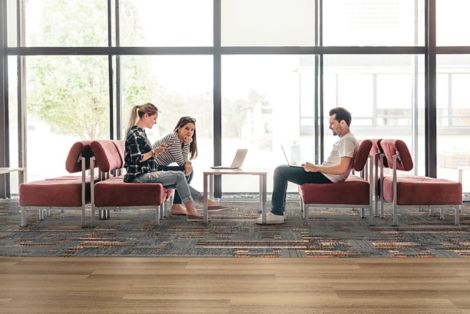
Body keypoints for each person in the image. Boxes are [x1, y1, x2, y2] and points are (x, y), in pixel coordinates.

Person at [256, 107, 359, 225]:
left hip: (326, 178)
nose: (330, 127)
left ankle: (277, 213)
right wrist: (314, 167)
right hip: (324, 174)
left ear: (343, 122)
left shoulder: (347, 141)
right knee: (283, 168)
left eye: (332, 123)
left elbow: (342, 169)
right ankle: (278, 211)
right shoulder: (347, 140)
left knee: (280, 171)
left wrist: (316, 168)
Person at [123, 103, 217, 219]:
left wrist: (157, 152)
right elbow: (136, 159)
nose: (155, 122)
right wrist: (154, 152)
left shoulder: (140, 132)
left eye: (192, 130)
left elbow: (182, 161)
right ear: (146, 116)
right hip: (139, 175)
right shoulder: (136, 134)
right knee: (180, 174)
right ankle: (195, 206)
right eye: (154, 118)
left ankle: (200, 203)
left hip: (148, 170)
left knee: (181, 176)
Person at [153, 116, 223, 215]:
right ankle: (177, 205)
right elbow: (182, 163)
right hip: (152, 168)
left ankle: (177, 205)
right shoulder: (173, 138)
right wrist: (187, 145)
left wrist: (187, 159)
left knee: (186, 171)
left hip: (159, 167)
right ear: (179, 128)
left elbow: (185, 162)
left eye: (192, 130)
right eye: (186, 128)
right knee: (183, 170)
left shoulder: (180, 140)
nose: (189, 132)